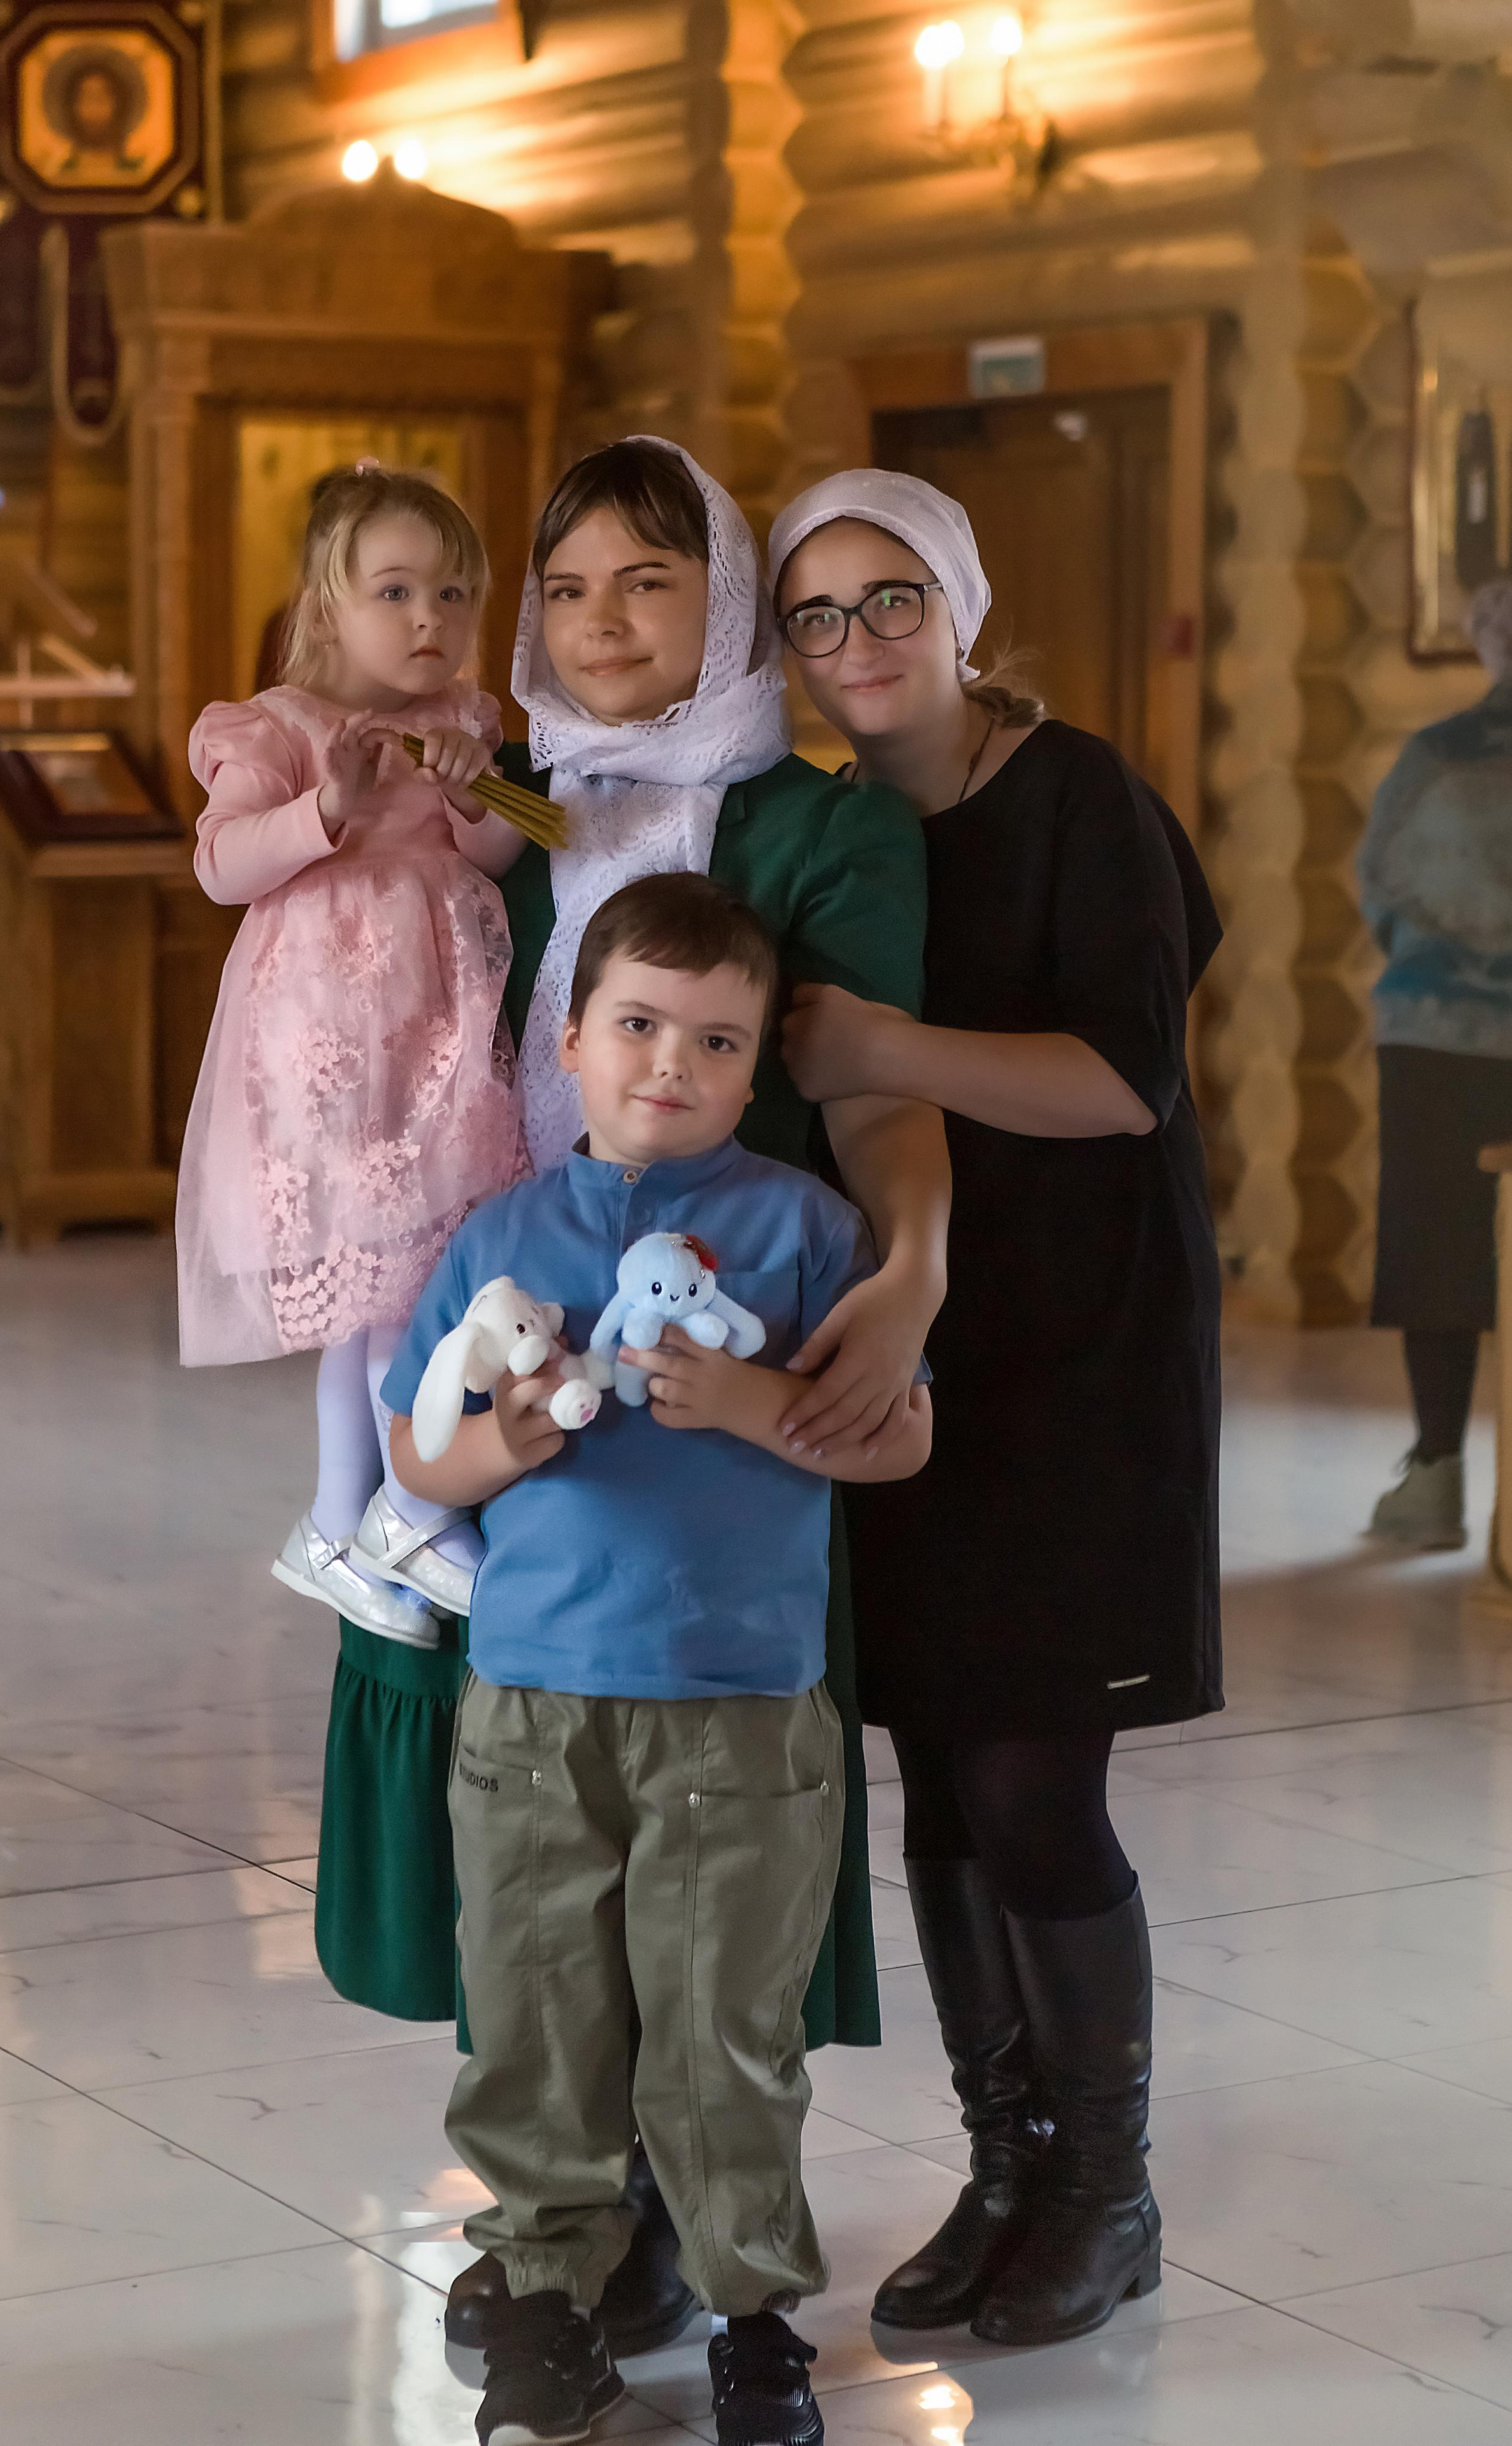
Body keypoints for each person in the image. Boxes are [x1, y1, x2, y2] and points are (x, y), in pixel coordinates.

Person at [380, 872, 932, 2446]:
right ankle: (545, 2306)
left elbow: (902, 1439)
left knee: (725, 2036)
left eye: (710, 1040)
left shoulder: (806, 1231)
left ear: (754, 1072)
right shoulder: (503, 1233)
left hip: (740, 1719)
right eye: (633, 1025)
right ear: (568, 1038)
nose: (666, 1065)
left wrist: (747, 1405)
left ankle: (749, 2314)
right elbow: (423, 1463)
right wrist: (520, 1423)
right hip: (534, 1709)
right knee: (539, 2022)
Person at [767, 468, 1223, 2350]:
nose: (858, 644)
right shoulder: (834, 827)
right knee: (940, 1764)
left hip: (1083, 1347)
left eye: (892, 603)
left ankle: (1106, 2190)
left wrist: (880, 1045)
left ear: (959, 607)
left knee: (1036, 1770)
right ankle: (1006, 2159)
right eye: (815, 616)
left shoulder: (1082, 797)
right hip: (910, 1341)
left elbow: (1122, 1081)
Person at [178, 461, 529, 1647]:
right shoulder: (277, 730)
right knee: (376, 1293)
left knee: (422, 1287)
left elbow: (493, 863)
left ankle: (365, 1516)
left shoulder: (466, 727)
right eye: (397, 593)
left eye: (454, 595)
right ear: (330, 604)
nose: (429, 621)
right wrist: (325, 810)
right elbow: (222, 866)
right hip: (330, 1048)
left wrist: (480, 801)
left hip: (439, 1040)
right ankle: (374, 1511)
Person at [1360, 575, 1512, 1551]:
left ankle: (1438, 1472)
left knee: (1435, 1246)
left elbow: (1384, 886)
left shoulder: (1437, 757)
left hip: (1434, 1031)